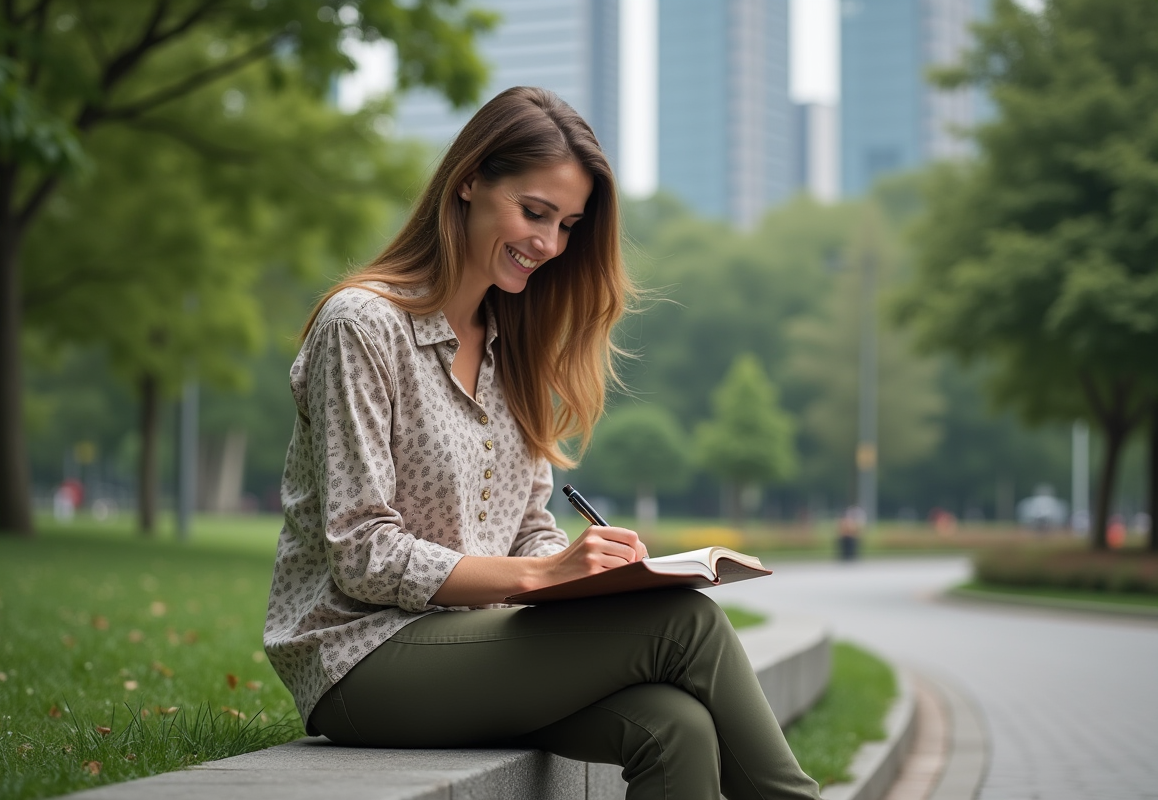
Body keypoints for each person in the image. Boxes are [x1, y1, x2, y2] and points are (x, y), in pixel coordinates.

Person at [264, 86, 820, 800]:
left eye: (567, 225)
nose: (550, 245)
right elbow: (363, 554)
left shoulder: (511, 346)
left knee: (678, 726)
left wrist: (583, 574)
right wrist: (539, 579)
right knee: (684, 622)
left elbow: (525, 528)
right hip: (358, 661)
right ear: (469, 180)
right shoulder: (363, 327)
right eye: (534, 213)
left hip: (477, 646)